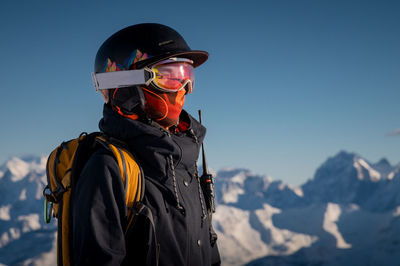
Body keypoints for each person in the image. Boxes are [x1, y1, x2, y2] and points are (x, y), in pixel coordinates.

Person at [72, 23, 221, 266]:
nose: (184, 89)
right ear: (128, 85)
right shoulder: (108, 168)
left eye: (187, 76)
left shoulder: (185, 160)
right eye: (170, 77)